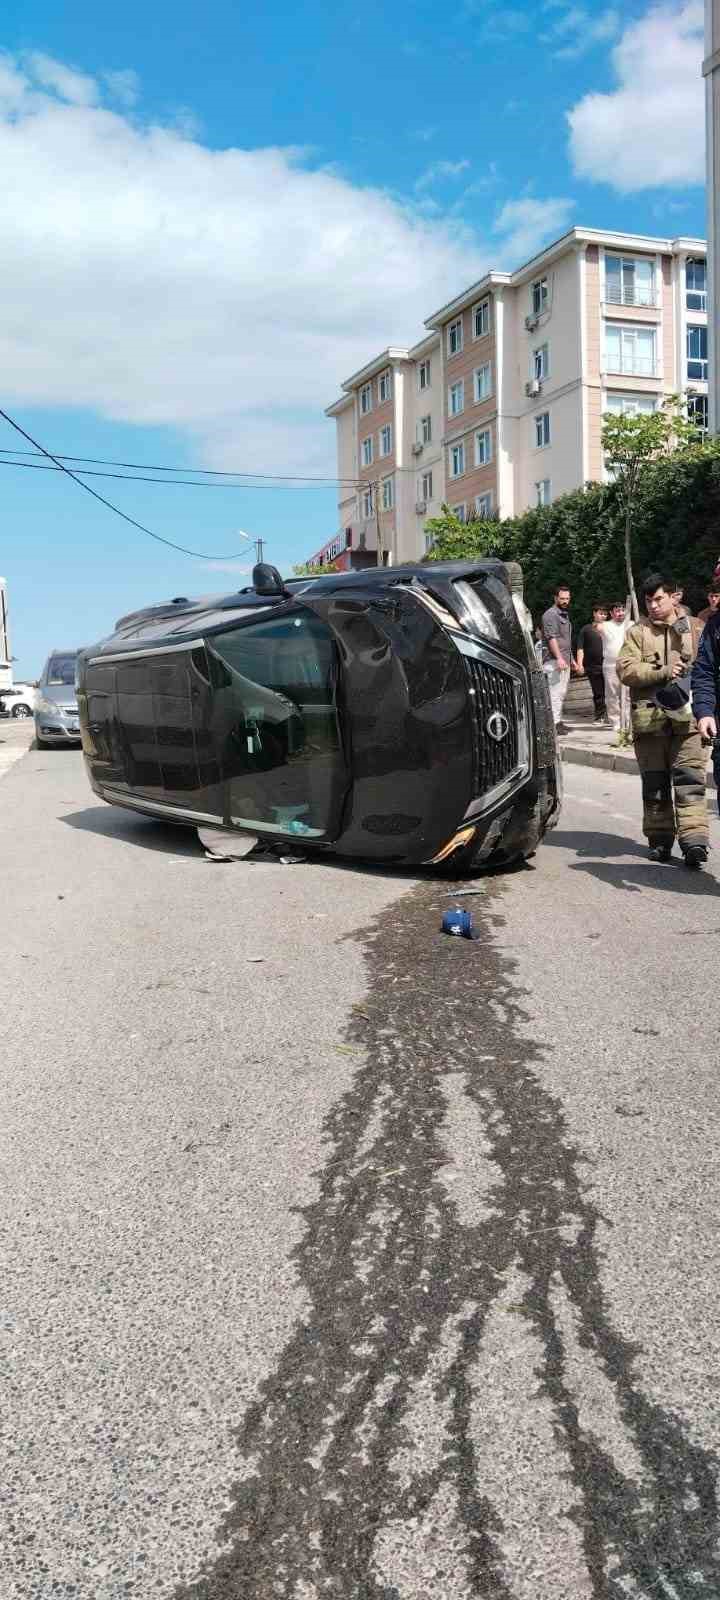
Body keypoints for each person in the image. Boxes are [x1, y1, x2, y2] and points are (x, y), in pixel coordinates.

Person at [617, 573, 709, 868]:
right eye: (648, 600)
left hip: (689, 723)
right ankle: (659, 841)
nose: (653, 605)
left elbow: (709, 672)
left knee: (690, 783)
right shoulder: (636, 632)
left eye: (659, 599)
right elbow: (626, 670)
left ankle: (695, 842)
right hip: (650, 723)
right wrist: (663, 671)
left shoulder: (697, 629)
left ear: (675, 597)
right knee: (655, 786)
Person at [541, 584, 577, 733]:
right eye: (562, 598)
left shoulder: (563, 615)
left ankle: (558, 721)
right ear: (555, 598)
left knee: (561, 693)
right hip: (554, 661)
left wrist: (572, 660)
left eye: (567, 599)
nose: (565, 601)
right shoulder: (550, 615)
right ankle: (553, 725)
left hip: (564, 660)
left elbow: (566, 641)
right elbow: (552, 638)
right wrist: (559, 658)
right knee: (554, 693)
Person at [576, 605, 609, 724]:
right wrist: (580, 664)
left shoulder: (611, 628)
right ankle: (599, 716)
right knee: (598, 693)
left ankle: (611, 717)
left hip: (609, 665)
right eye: (601, 613)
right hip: (592, 667)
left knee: (611, 692)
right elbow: (580, 648)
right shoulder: (586, 629)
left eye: (605, 614)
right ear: (594, 613)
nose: (603, 616)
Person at [598, 602, 628, 731]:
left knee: (627, 693)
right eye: (617, 611)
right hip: (610, 664)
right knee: (612, 693)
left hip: (627, 663)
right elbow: (597, 626)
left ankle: (627, 719)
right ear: (611, 613)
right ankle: (615, 721)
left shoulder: (630, 624)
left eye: (622, 610)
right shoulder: (605, 625)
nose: (620, 613)